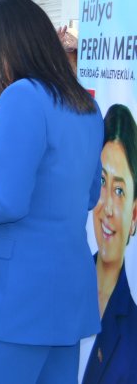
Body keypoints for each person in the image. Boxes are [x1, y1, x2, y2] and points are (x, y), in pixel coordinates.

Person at [0, 0, 104, 382]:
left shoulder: (23, 96)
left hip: (18, 295)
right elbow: (90, 194)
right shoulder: (83, 103)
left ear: (5, 47)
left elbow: (6, 202)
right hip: (68, 287)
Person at [82, 104, 137, 383]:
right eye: (102, 182)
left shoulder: (133, 330)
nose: (108, 208)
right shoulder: (69, 279)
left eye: (119, 190)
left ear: (134, 213)